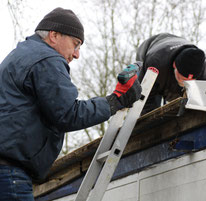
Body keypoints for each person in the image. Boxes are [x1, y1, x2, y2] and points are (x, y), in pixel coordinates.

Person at [0, 7, 141, 200]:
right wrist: (115, 101)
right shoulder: (46, 59)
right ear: (54, 35)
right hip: (10, 174)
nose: (76, 55)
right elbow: (68, 114)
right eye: (75, 44)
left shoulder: (19, 56)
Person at [136, 33, 206, 114]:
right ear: (175, 65)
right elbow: (144, 97)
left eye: (190, 80)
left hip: (176, 51)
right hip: (151, 48)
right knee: (151, 99)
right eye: (181, 78)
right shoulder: (155, 63)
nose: (184, 82)